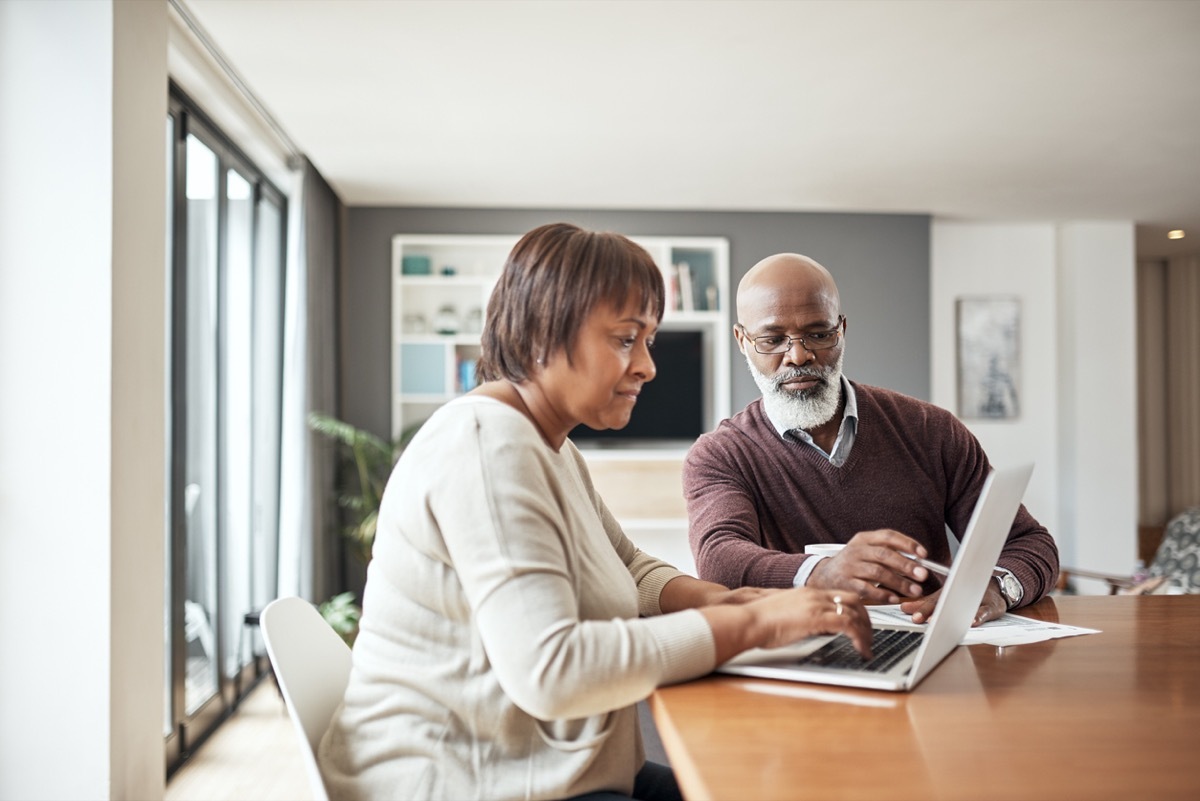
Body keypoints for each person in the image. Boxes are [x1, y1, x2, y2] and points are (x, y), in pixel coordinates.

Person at [318, 225, 874, 801]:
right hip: (469, 781)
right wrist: (754, 625)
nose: (647, 367)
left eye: (649, 340)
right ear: (540, 335)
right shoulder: (488, 447)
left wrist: (731, 600)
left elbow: (627, 566)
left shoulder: (549, 446)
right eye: (625, 339)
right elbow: (552, 672)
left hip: (545, 767)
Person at [683, 253, 1059, 627]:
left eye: (818, 333)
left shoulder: (931, 430)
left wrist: (996, 587)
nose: (798, 355)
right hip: (799, 654)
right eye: (772, 339)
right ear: (742, 340)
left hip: (922, 641)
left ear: (841, 329)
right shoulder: (721, 454)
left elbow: (1030, 543)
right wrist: (820, 573)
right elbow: (719, 559)